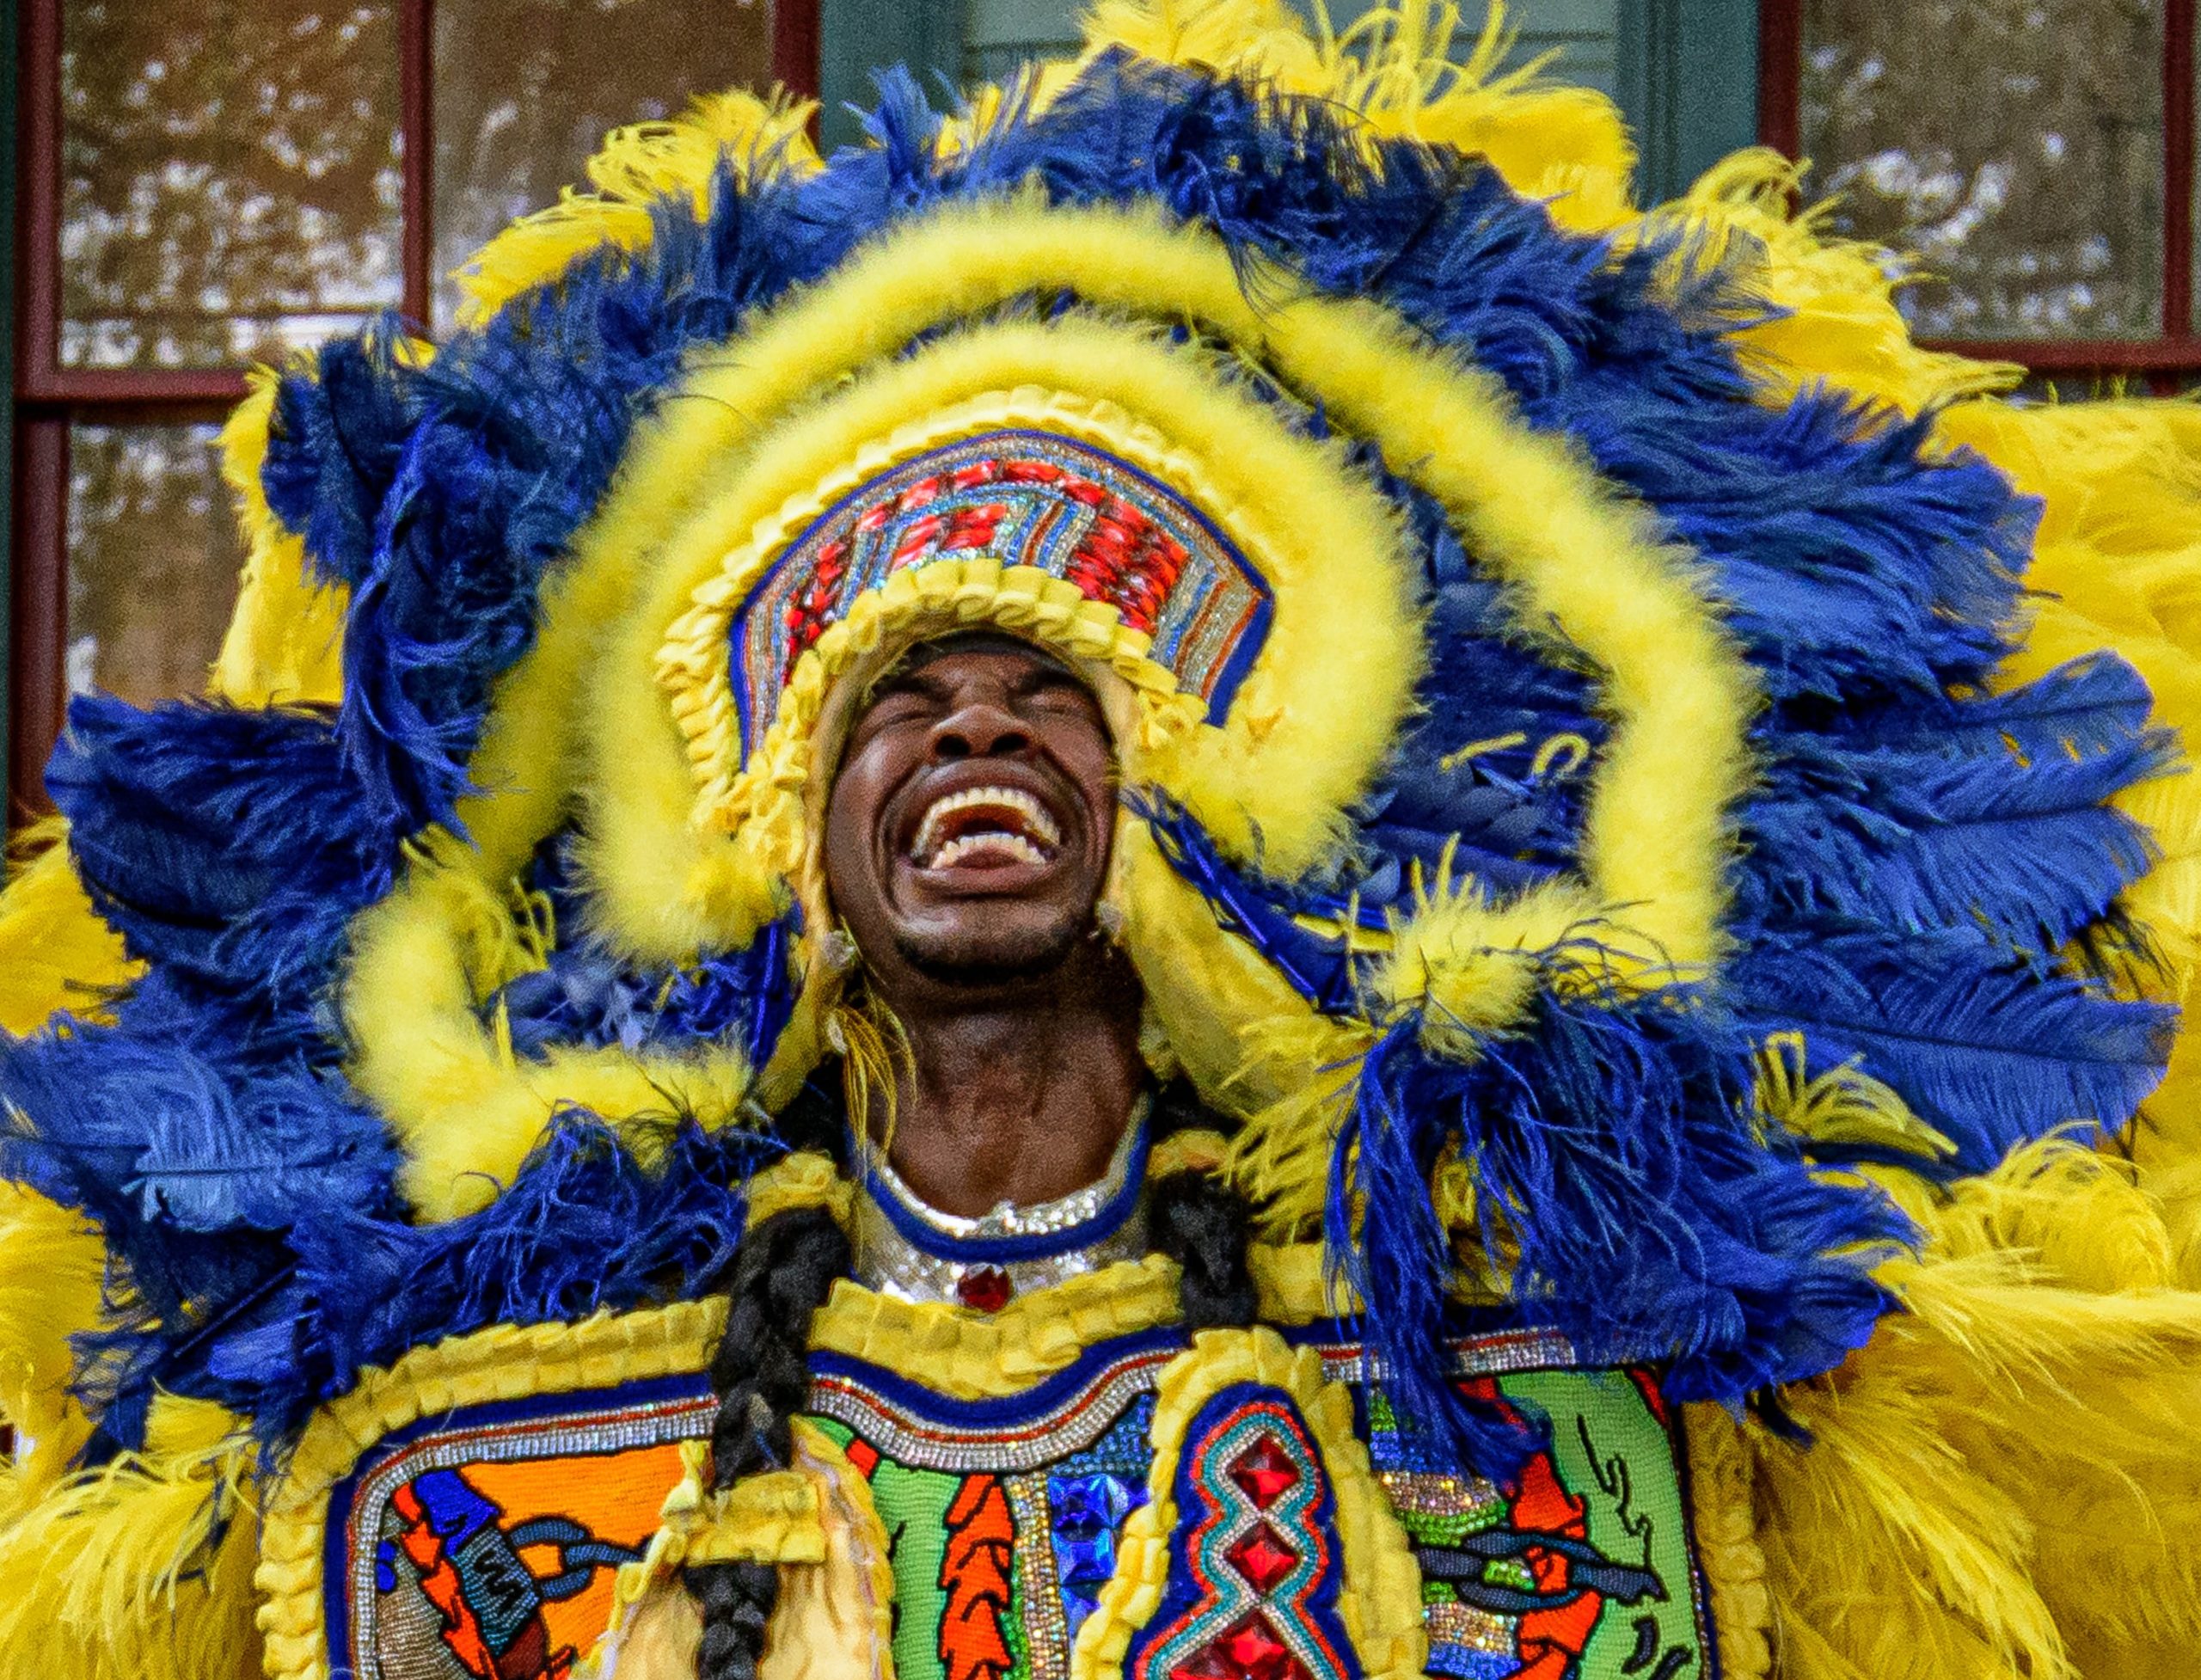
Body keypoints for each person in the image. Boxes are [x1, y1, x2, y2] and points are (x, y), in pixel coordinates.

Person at [6, 6, 2201, 1679]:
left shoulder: (1509, 1380)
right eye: (900, 699)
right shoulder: (500, 1456)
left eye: (1051, 687)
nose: (977, 721)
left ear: (1167, 808)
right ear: (792, 843)